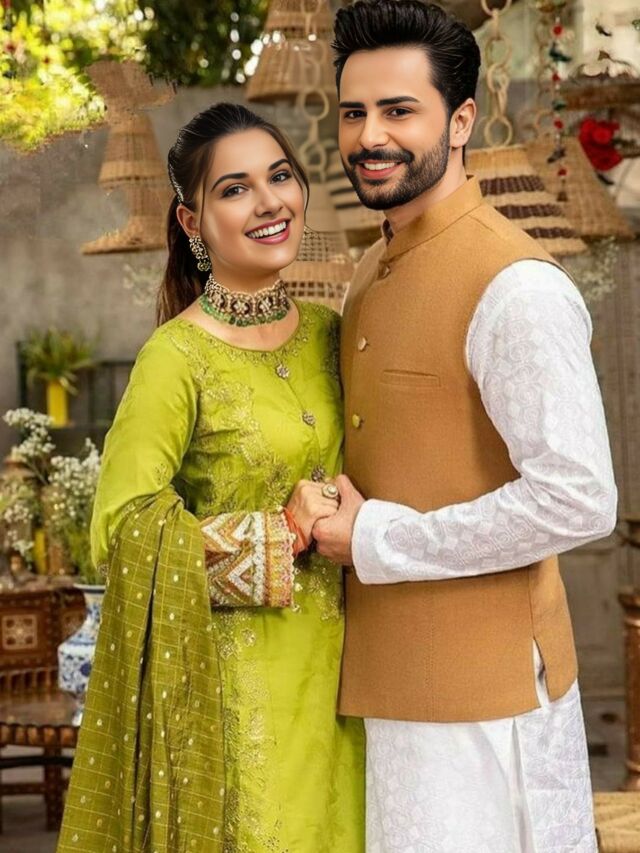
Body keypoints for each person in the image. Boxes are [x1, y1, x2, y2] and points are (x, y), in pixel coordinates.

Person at [313, 3, 617, 852]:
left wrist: (378, 539)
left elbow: (579, 498)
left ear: (460, 120)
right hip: (383, 691)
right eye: (353, 112)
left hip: (490, 706)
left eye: (398, 110)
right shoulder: (370, 271)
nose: (370, 135)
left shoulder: (516, 286)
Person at [57, 102, 364, 853]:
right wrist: (279, 533)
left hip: (353, 685)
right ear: (192, 222)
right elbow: (120, 530)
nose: (268, 202)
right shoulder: (177, 357)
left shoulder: (333, 334)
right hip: (241, 700)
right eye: (235, 189)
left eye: (279, 177)